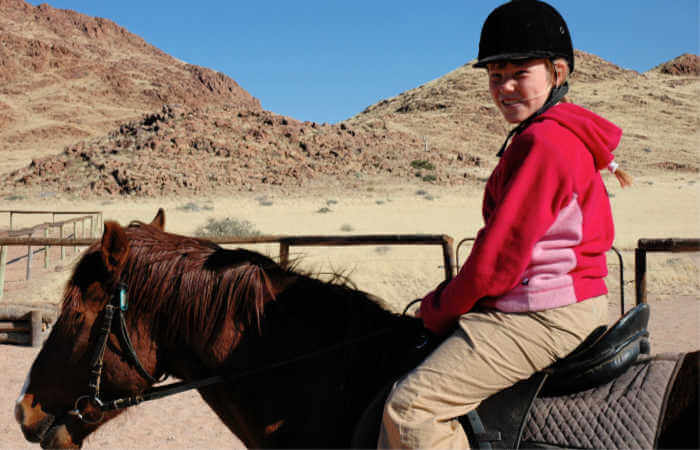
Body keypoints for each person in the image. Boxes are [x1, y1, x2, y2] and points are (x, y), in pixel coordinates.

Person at [378, 1, 632, 448]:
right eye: (496, 76)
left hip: (543, 313)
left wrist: (438, 309)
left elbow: (496, 262)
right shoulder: (554, 133)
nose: (506, 87)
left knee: (411, 411)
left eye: (520, 73)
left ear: (557, 73)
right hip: (554, 300)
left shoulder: (544, 143)